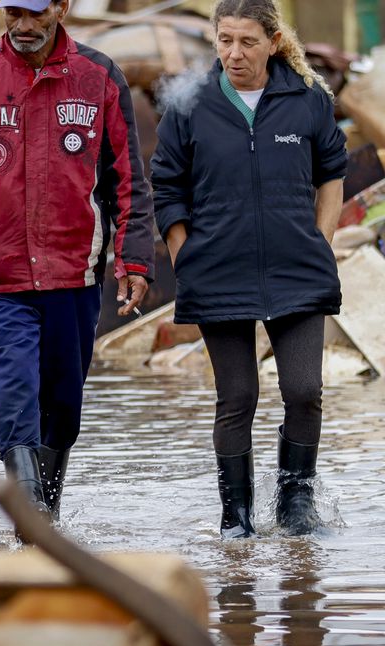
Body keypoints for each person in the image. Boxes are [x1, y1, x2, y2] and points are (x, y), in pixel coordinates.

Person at [0, 0, 154, 517]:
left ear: (62, 7)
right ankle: (30, 522)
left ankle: (46, 518)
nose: (24, 27)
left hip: (75, 273)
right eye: (13, 14)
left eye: (36, 14)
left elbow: (129, 182)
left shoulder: (99, 77)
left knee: (63, 406)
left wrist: (134, 261)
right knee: (13, 391)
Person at [150, 0, 347, 538]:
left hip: (298, 271)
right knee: (237, 398)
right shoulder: (191, 105)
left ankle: (295, 502)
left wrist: (321, 243)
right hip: (217, 272)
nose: (235, 54)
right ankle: (236, 516)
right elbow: (166, 185)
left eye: (248, 42)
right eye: (225, 41)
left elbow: (333, 170)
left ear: (274, 41)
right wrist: (184, 253)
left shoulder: (307, 99)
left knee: (304, 390)